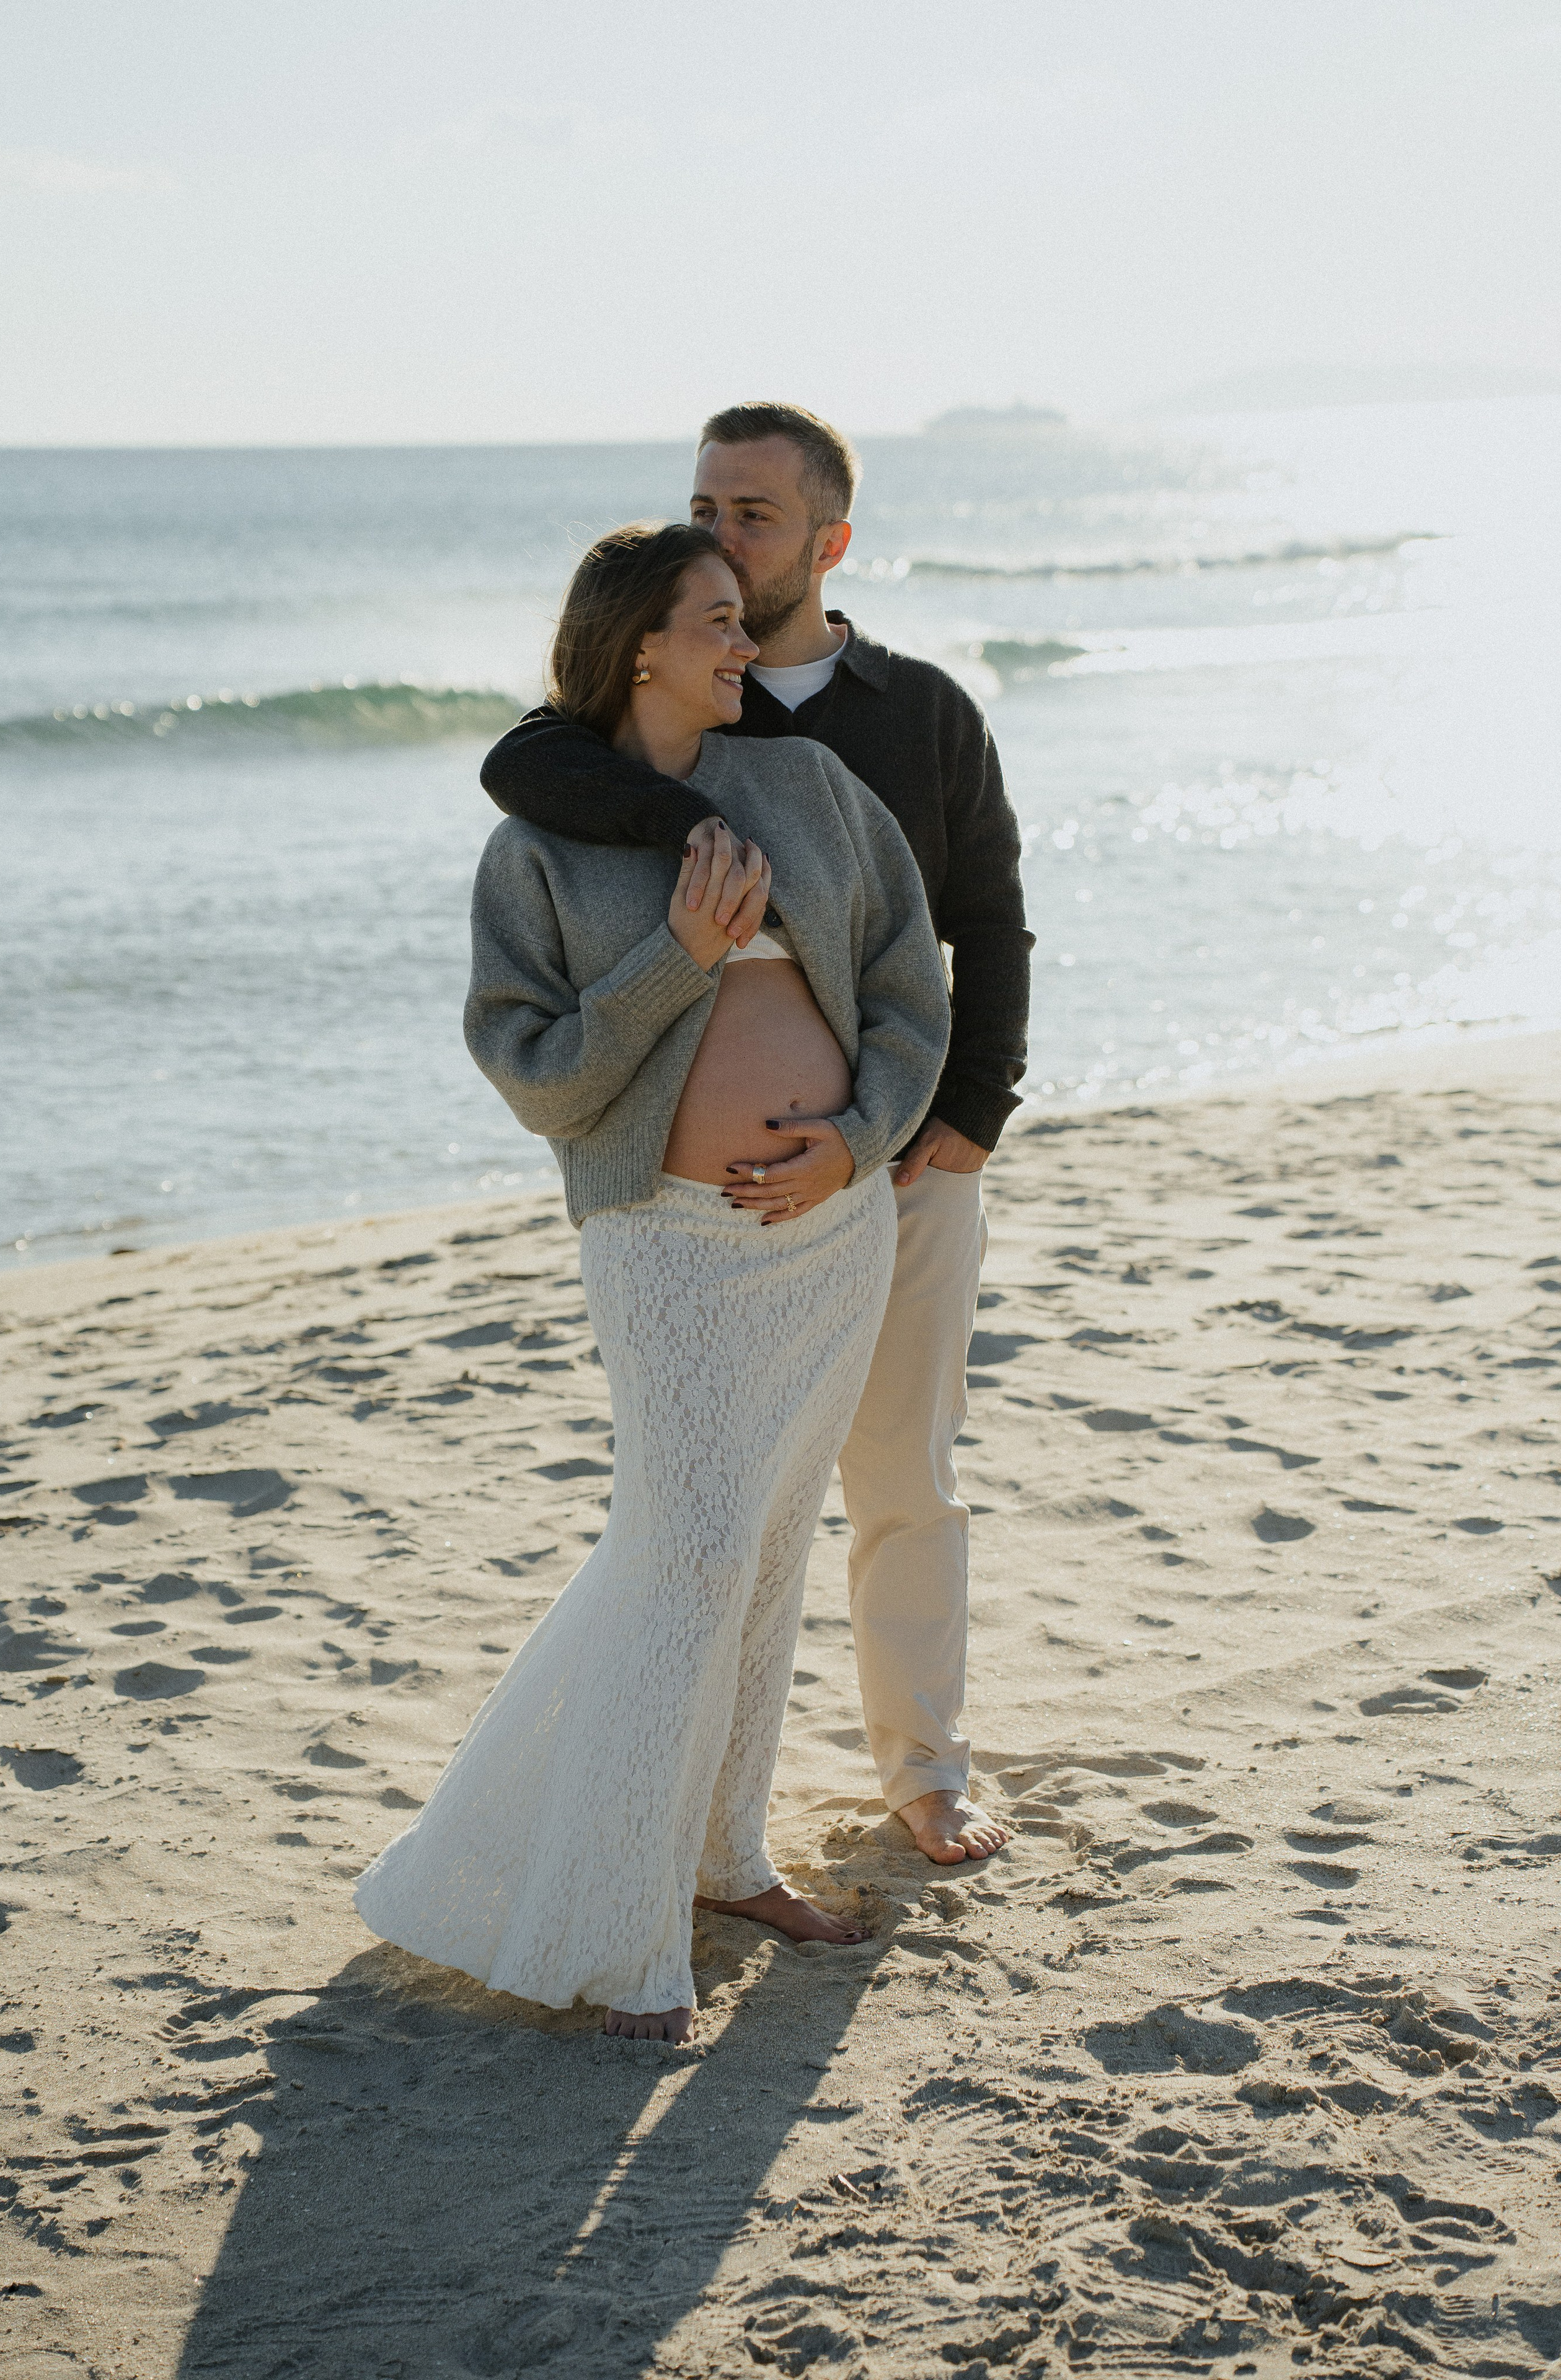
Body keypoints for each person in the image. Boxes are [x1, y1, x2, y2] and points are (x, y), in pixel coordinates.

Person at [355, 522, 950, 2043]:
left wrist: (858, 1139)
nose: (745, 645)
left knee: (763, 1556)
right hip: (665, 1242)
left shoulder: (809, 792)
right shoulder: (538, 849)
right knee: (684, 1549)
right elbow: (542, 1076)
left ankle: (723, 1855)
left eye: (740, 621)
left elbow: (904, 985)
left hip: (829, 1234)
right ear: (636, 647)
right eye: (713, 624)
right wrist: (677, 960)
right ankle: (618, 1935)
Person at [478, 403, 1033, 1864]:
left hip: (896, 1165)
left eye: (754, 518)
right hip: (692, 1224)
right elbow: (532, 773)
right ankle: (666, 1836)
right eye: (705, 508)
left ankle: (922, 1771)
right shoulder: (623, 749)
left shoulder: (909, 718)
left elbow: (971, 932)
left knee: (893, 1474)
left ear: (828, 541)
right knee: (716, 1525)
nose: (721, 536)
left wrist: (955, 1121)